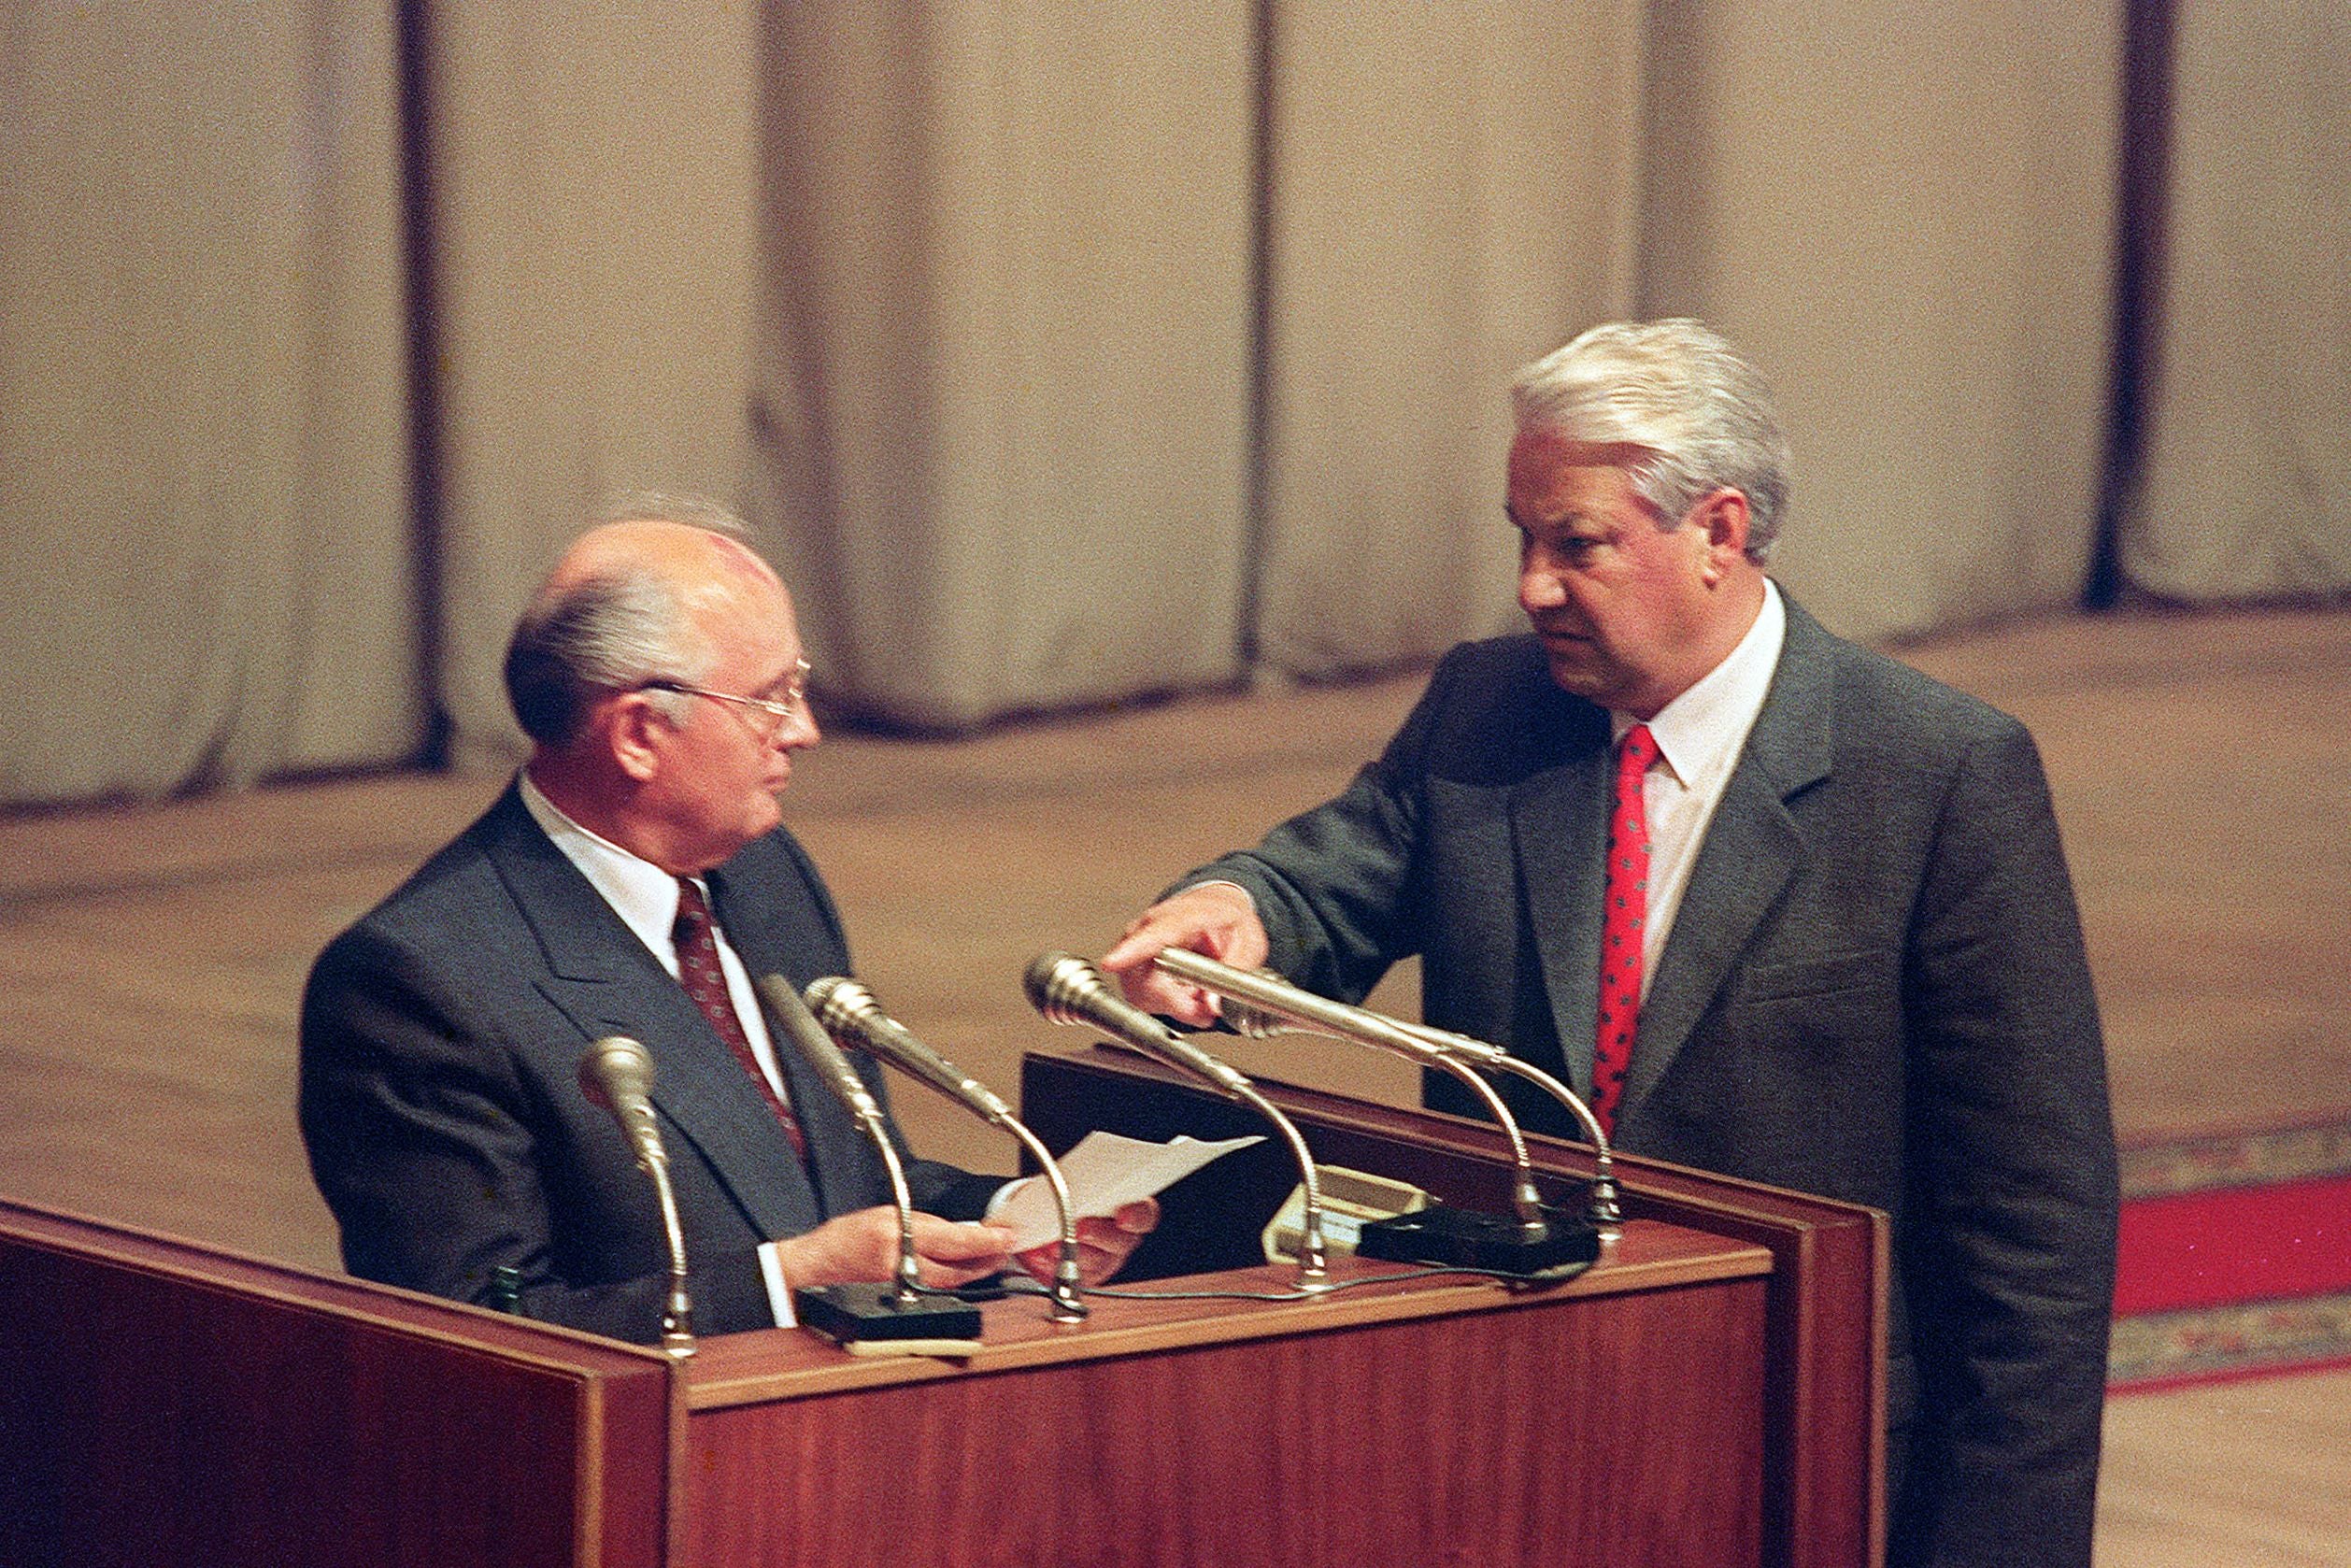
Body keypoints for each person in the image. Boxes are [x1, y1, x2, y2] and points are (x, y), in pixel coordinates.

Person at [1104, 321, 2117, 1566]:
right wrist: (1239, 908)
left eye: (1577, 543)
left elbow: (2036, 1226)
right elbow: (1331, 878)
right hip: (1512, 1431)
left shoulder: (1936, 774)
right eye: (1523, 538)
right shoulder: (1489, 709)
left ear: (1720, 532)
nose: (1533, 584)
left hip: (1801, 1444)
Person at [301, 499, 1151, 1344]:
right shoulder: (416, 984)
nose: (806, 731)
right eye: (769, 698)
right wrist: (787, 1284)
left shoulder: (765, 875)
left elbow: (833, 1183)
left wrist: (1007, 1222)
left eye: (800, 687)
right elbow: (478, 1330)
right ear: (638, 734)